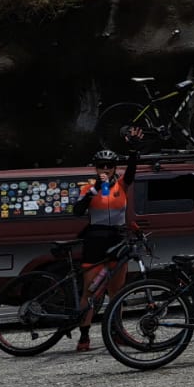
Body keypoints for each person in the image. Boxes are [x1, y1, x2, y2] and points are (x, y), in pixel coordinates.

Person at [69, 138, 142, 352]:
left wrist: (133, 150)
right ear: (96, 168)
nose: (106, 169)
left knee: (117, 291)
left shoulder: (122, 185)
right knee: (90, 291)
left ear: (114, 168)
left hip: (117, 239)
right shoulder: (89, 188)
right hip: (94, 240)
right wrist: (95, 190)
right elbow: (77, 211)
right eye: (102, 166)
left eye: (110, 166)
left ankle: (117, 332)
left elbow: (132, 171)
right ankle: (84, 337)